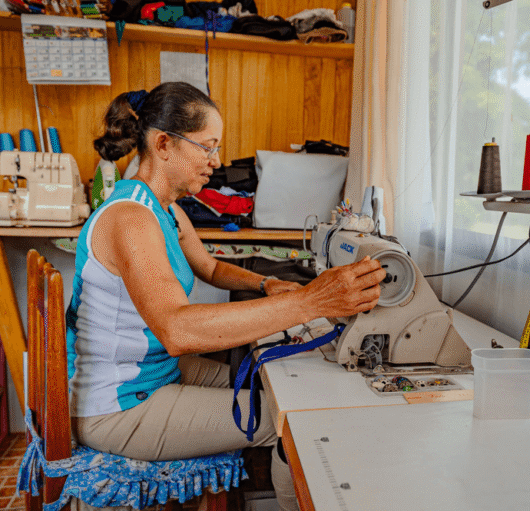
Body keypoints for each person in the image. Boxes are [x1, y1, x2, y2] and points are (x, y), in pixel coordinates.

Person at [66, 82, 386, 511]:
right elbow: (177, 329)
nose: (216, 162)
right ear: (163, 144)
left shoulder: (165, 209)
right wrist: (313, 301)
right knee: (290, 419)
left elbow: (211, 267)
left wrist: (266, 285)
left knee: (270, 377)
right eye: (207, 147)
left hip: (148, 373)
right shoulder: (130, 219)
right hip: (118, 406)